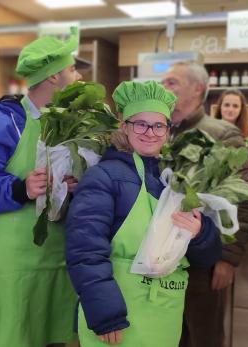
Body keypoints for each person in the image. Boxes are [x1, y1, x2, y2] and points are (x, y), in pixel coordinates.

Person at [65, 80, 222, 346]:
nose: (150, 132)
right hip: (119, 318)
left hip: (164, 315)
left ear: (168, 130)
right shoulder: (103, 177)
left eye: (159, 125)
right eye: (141, 124)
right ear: (124, 126)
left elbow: (207, 257)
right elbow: (84, 250)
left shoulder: (173, 181)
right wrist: (105, 313)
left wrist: (199, 233)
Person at [0, 28, 81, 347]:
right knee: (8, 333)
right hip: (13, 258)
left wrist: (73, 185)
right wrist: (19, 189)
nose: (78, 75)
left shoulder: (69, 124)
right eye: (72, 69)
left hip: (56, 254)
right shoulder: (1, 122)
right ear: (53, 77)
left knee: (49, 331)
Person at [162, 61, 248, 347]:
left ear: (198, 88)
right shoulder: (156, 130)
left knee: (204, 337)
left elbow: (242, 198)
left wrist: (227, 258)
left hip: (203, 262)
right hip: (162, 258)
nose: (163, 88)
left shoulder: (223, 135)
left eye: (172, 83)